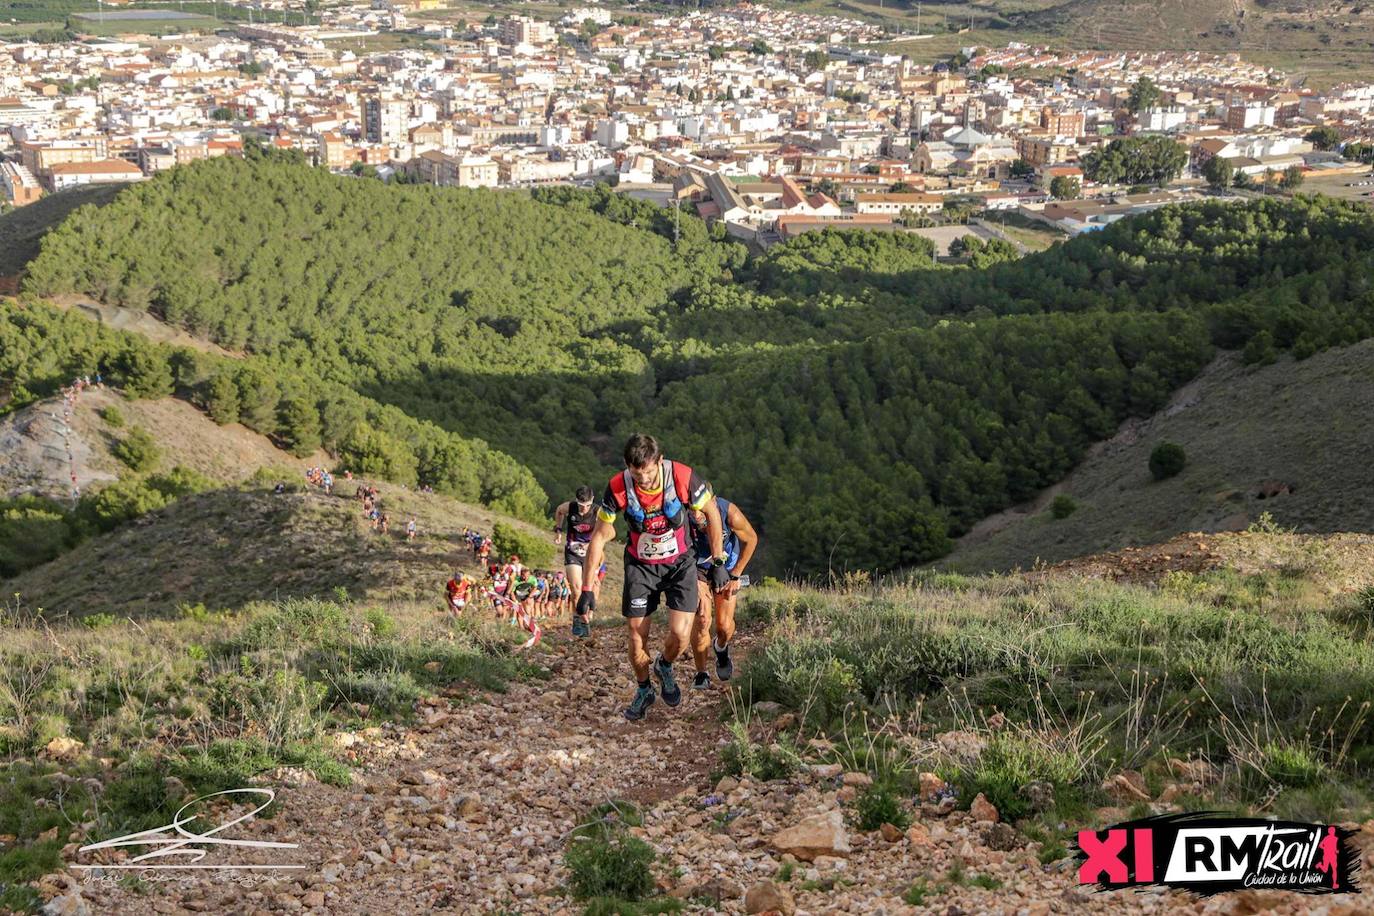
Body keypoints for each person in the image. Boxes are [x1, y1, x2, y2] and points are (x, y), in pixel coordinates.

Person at [577, 433, 727, 721]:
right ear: (627, 466)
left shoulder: (681, 476)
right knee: (636, 634)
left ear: (659, 461)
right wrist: (587, 589)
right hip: (641, 565)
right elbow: (599, 537)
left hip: (679, 564)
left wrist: (718, 560)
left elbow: (712, 513)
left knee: (681, 635)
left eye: (648, 471)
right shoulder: (618, 486)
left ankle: (665, 665)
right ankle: (644, 688)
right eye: (637, 473)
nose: (643, 479)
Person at [687, 496, 758, 689]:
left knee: (724, 626)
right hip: (697, 566)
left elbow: (751, 538)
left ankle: (721, 647)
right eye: (691, 509)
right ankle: (701, 673)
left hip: (727, 565)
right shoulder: (682, 514)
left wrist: (736, 575)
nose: (696, 514)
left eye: (700, 509)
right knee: (702, 619)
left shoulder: (729, 512)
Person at [553, 487, 598, 629]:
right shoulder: (570, 507)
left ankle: (590, 614)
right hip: (572, 551)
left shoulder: (597, 511)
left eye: (587, 506)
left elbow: (607, 530)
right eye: (580, 506)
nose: (583, 509)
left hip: (590, 553)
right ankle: (578, 621)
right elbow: (559, 510)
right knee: (576, 588)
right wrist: (558, 530)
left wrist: (593, 543)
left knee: (592, 586)